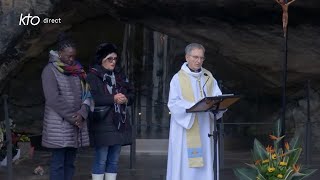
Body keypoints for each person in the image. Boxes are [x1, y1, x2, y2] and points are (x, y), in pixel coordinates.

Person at [166, 43, 225, 180]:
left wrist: (217, 104)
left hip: (205, 128)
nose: (198, 61)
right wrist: (195, 105)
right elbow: (173, 103)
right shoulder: (178, 78)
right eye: (195, 57)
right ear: (187, 57)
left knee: (206, 158)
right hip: (185, 128)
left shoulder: (208, 77)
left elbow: (218, 97)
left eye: (201, 58)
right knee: (184, 163)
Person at [41, 33, 93, 180]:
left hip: (76, 124)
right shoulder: (49, 70)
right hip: (60, 126)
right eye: (68, 56)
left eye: (73, 56)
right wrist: (73, 118)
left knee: (70, 163)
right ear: (59, 53)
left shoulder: (78, 71)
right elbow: (52, 98)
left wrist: (83, 113)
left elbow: (87, 94)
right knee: (58, 164)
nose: (71, 60)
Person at [86, 43, 134, 180]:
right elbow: (92, 98)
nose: (113, 62)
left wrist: (125, 99)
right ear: (102, 59)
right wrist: (113, 98)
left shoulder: (120, 75)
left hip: (119, 123)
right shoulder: (92, 76)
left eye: (115, 59)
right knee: (101, 159)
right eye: (109, 59)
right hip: (102, 123)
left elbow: (131, 93)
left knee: (114, 160)